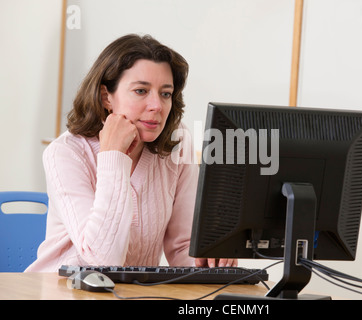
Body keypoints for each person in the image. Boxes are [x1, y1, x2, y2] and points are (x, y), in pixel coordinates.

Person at [26, 34, 236, 272]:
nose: (157, 105)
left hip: (133, 293)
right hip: (59, 291)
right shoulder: (66, 153)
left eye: (165, 93)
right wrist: (113, 156)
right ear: (107, 97)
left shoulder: (178, 141)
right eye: (140, 91)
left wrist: (211, 262)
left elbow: (183, 246)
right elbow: (103, 260)